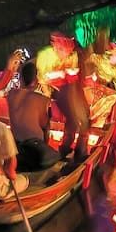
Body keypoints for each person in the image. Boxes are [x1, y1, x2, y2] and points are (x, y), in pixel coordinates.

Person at [36, 32, 91, 162]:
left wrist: (70, 76)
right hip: (49, 91)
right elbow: (42, 78)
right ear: (56, 47)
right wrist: (60, 75)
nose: (66, 54)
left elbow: (73, 76)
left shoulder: (72, 56)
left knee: (84, 118)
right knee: (72, 118)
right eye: (62, 50)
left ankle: (74, 149)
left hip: (68, 89)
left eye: (68, 51)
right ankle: (64, 149)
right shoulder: (45, 56)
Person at [7, 61, 58, 171]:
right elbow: (45, 127)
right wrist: (45, 145)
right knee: (56, 156)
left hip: (16, 146)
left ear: (21, 79)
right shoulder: (43, 100)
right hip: (35, 149)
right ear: (36, 80)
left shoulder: (11, 95)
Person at [84, 42, 116, 126]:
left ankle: (98, 126)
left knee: (115, 97)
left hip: (101, 93)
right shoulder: (97, 59)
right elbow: (83, 66)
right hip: (87, 89)